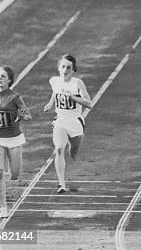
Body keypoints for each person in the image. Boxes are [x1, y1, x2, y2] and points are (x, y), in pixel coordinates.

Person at [0, 66, 32, 218]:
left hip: (14, 138)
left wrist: (23, 116)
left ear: (9, 80)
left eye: (3, 76)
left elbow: (28, 115)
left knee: (14, 175)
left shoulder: (15, 97)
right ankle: (3, 207)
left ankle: (9, 190)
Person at [44, 54, 92, 194]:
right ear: (59, 68)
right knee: (59, 149)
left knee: (73, 153)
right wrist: (51, 102)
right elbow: (55, 92)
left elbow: (89, 104)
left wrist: (73, 97)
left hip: (75, 122)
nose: (65, 69)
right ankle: (61, 184)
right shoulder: (54, 81)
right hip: (61, 120)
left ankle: (73, 147)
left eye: (69, 67)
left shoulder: (77, 84)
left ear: (73, 70)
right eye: (63, 66)